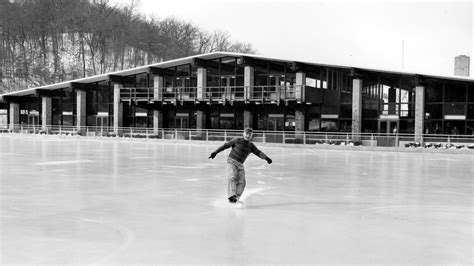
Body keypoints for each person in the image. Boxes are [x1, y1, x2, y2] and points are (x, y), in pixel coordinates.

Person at [208, 127, 272, 204]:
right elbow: (226, 145)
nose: (248, 136)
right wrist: (215, 152)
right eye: (246, 134)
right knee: (232, 177)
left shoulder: (251, 145)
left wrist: (266, 158)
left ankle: (237, 197)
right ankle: (231, 196)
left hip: (240, 165)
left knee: (242, 182)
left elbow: (258, 152)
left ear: (251, 136)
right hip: (231, 162)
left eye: (250, 134)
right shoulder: (237, 140)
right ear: (243, 134)